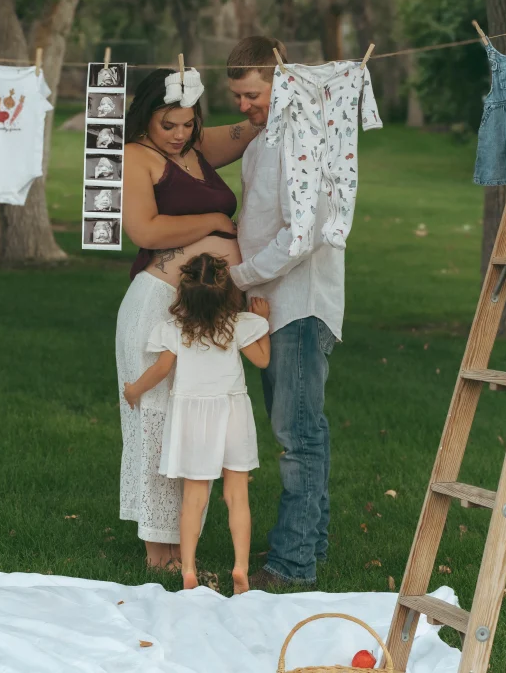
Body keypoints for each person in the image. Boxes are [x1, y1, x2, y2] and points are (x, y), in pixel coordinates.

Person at [115, 68, 262, 572]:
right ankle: (161, 552)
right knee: (158, 420)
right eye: (168, 125)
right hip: (157, 304)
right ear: (145, 120)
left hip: (201, 309)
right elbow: (145, 228)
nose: (180, 134)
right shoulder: (136, 156)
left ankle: (183, 549)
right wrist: (217, 223)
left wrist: (275, 90)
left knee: (189, 423)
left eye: (188, 124)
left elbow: (250, 127)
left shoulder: (195, 148)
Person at [226, 36, 345, 588]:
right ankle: (311, 544)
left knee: (297, 434)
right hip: (271, 305)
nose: (243, 105)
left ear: (280, 79)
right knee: (298, 429)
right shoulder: (261, 141)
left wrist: (239, 277)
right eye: (237, 96)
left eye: (251, 93)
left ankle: (293, 562)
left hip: (299, 305)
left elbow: (302, 236)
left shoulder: (303, 136)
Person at [123, 254, 271, 594]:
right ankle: (241, 569)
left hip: (192, 418)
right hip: (232, 412)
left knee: (194, 497)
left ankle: (188, 568)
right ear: (228, 294)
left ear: (183, 296)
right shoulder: (238, 325)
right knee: (237, 496)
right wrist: (264, 323)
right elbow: (262, 360)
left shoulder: (175, 330)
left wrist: (134, 390)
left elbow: (160, 371)